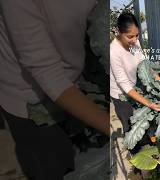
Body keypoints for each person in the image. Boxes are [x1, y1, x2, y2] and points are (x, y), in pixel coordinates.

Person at [0, 0, 108, 180]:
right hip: (27, 95)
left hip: (74, 77)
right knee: (50, 166)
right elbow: (48, 73)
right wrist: (115, 130)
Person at [110, 12, 160, 134]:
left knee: (139, 119)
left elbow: (143, 63)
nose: (135, 40)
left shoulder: (135, 42)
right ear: (119, 32)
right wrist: (150, 104)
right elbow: (124, 84)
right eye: (130, 36)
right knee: (130, 126)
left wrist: (159, 79)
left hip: (134, 86)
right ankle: (133, 151)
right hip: (120, 94)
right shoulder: (114, 51)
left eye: (137, 35)